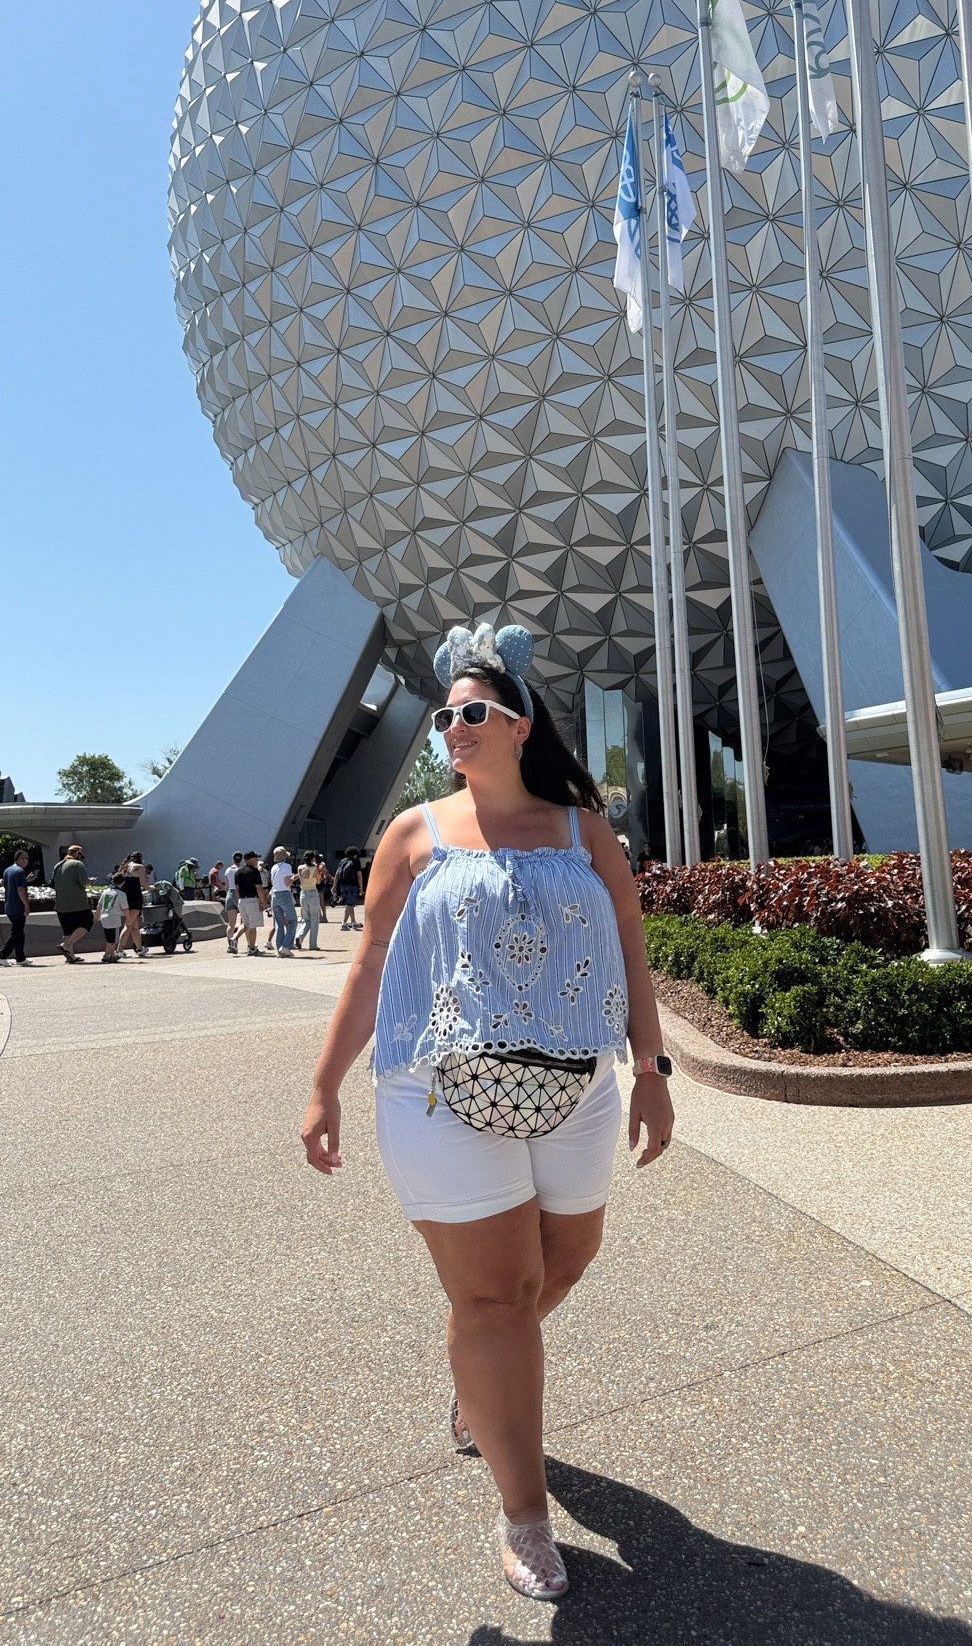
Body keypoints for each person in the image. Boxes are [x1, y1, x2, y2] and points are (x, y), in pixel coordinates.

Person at [301, 621, 674, 1603]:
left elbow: (632, 949)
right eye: (443, 716)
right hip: (439, 1091)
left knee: (570, 1256)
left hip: (576, 1088)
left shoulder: (581, 830)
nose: (452, 728)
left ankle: (481, 1371)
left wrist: (653, 1067)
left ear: (520, 726)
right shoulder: (414, 834)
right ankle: (524, 1511)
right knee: (498, 1297)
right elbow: (374, 961)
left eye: (472, 713)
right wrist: (322, 1083)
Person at [51, 844, 94, 963]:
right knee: (88, 921)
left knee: (68, 931)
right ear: (77, 853)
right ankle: (66, 945)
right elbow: (84, 882)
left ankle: (71, 956)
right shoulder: (77, 864)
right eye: (80, 855)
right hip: (77, 904)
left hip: (61, 905)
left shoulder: (57, 865)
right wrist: (90, 881)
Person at [0, 850, 32, 966]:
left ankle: (20, 957)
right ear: (19, 859)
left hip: (9, 905)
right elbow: (20, 889)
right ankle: (2, 955)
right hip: (17, 906)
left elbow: (10, 885)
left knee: (19, 932)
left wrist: (26, 880)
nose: (26, 861)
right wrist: (26, 905)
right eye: (25, 858)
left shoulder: (8, 870)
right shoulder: (19, 872)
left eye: (27, 859)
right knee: (17, 933)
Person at [115, 853, 150, 958]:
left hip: (125, 897)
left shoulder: (124, 868)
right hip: (135, 897)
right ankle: (119, 950)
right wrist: (152, 888)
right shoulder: (139, 867)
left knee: (134, 926)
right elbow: (143, 884)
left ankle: (139, 948)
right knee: (129, 924)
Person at [234, 851, 268, 955]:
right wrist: (263, 902)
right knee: (253, 925)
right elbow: (259, 888)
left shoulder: (238, 872)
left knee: (246, 923)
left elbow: (236, 889)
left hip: (242, 900)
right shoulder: (254, 871)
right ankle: (252, 948)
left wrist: (238, 900)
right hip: (252, 900)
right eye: (255, 858)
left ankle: (234, 939)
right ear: (250, 859)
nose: (256, 860)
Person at [268, 846, 297, 956]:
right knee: (292, 920)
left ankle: (279, 947)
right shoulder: (287, 866)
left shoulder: (273, 867)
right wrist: (296, 877)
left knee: (279, 923)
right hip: (284, 893)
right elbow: (287, 882)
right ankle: (286, 945)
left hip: (275, 894)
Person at [95, 873, 127, 964]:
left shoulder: (106, 891)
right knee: (112, 940)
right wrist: (129, 918)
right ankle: (106, 955)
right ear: (123, 882)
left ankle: (112, 954)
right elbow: (125, 909)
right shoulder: (121, 893)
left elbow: (99, 905)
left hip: (104, 917)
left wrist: (96, 916)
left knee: (109, 936)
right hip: (114, 918)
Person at [295, 850, 321, 950]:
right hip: (313, 893)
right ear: (312, 858)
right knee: (315, 919)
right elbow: (318, 880)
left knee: (305, 919)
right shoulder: (314, 868)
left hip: (303, 893)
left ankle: (299, 936)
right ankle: (312, 944)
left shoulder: (300, 868)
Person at [334, 845, 362, 930]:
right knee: (350, 905)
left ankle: (353, 922)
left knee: (350, 903)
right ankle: (344, 923)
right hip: (352, 885)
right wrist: (361, 887)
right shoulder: (356, 861)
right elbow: (359, 875)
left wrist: (334, 885)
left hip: (343, 885)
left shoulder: (343, 861)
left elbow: (337, 874)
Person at [224, 851, 243, 953]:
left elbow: (226, 885)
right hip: (239, 894)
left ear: (233, 859)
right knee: (244, 922)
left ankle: (230, 945)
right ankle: (237, 940)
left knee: (231, 924)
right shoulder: (240, 870)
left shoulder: (228, 870)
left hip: (230, 894)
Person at [315, 854, 330, 924]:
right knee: (322, 901)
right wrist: (326, 879)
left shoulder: (314, 865)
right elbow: (325, 873)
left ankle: (320, 917)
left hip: (316, 882)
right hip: (321, 882)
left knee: (317, 901)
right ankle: (324, 917)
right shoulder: (322, 864)